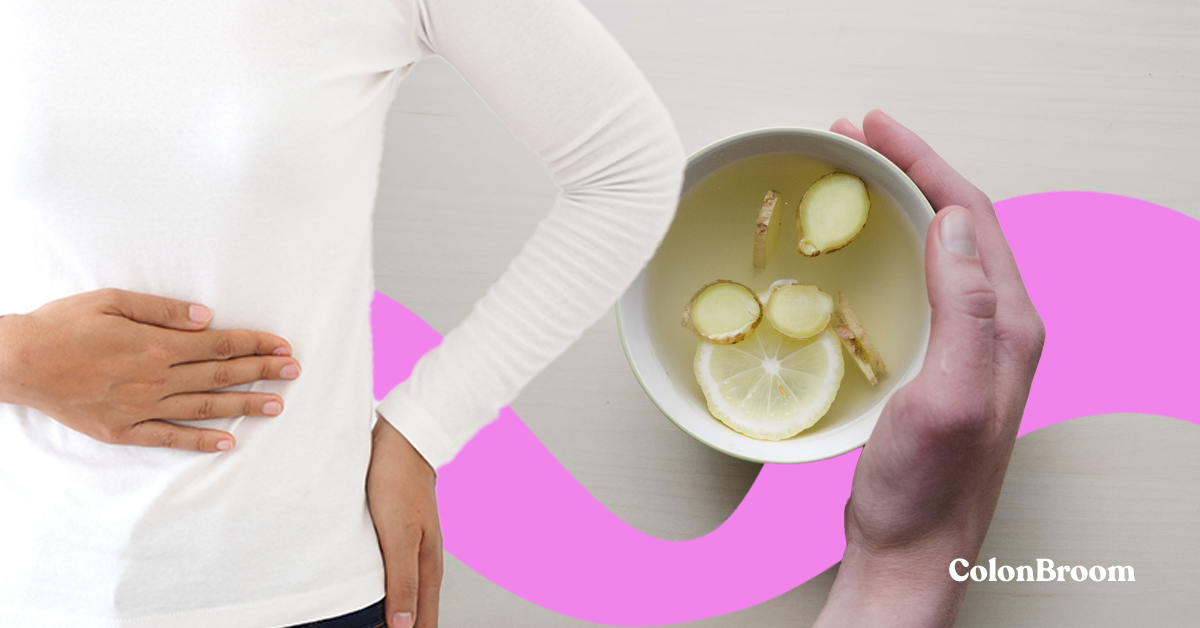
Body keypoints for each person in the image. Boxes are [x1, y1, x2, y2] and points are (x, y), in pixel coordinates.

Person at [0, 0, 682, 627]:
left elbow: (630, 171)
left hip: (302, 586)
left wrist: (426, 427)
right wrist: (20, 359)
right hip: (31, 583)